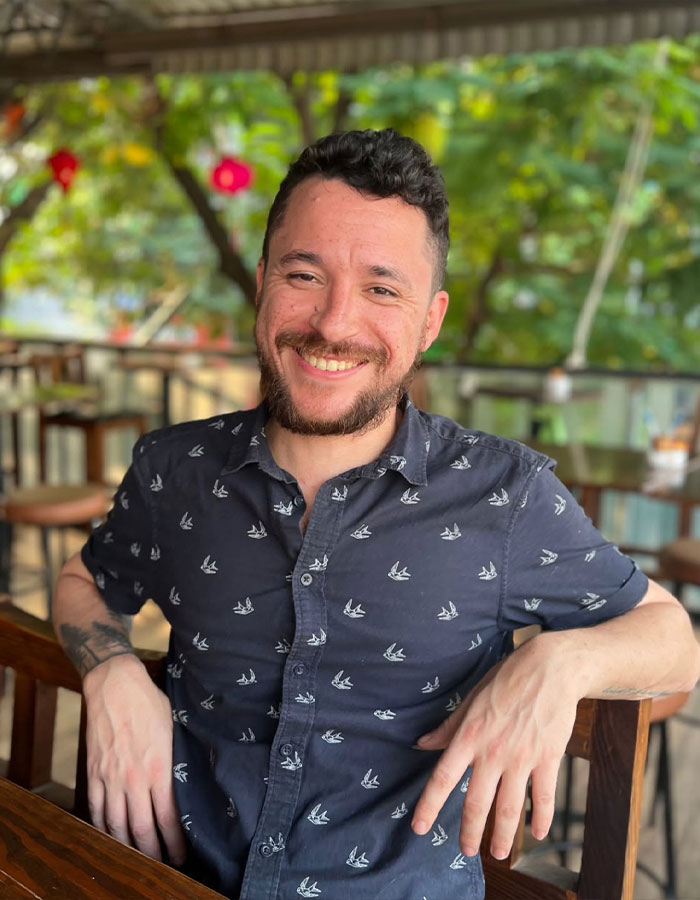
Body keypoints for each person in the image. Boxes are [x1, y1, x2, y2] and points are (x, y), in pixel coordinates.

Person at [54, 129, 700, 900]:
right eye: (304, 275)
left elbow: (673, 641)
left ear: (430, 321)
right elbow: (84, 581)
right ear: (261, 283)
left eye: (382, 291)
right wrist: (112, 671)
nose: (333, 324)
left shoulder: (504, 494)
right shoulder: (175, 470)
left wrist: (563, 662)